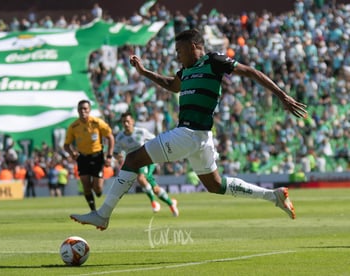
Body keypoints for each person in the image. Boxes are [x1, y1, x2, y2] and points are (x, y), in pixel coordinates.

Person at [69, 29, 307, 230]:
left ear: (194, 46)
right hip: (201, 137)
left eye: (179, 51)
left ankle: (103, 214)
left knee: (132, 159)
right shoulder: (185, 72)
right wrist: (144, 73)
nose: (177, 56)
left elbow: (251, 72)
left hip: (189, 133)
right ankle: (274, 196)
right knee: (215, 186)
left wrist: (282, 96)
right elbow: (171, 85)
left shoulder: (213, 61)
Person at [114, 112, 179, 216]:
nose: (126, 124)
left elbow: (155, 140)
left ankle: (153, 202)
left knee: (141, 178)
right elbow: (115, 152)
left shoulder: (141, 132)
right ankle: (171, 203)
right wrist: (117, 156)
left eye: (128, 121)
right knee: (156, 189)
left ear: (132, 122)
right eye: (124, 122)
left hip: (148, 160)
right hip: (135, 163)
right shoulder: (120, 138)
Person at [64, 99, 115, 211]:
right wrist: (72, 153)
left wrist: (109, 156)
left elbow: (110, 137)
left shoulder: (97, 123)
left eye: (85, 108)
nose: (83, 111)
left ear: (89, 110)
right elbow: (66, 145)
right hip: (82, 157)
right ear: (77, 111)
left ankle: (98, 191)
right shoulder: (73, 126)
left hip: (97, 157)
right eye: (80, 109)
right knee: (86, 186)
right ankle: (93, 210)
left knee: (97, 188)